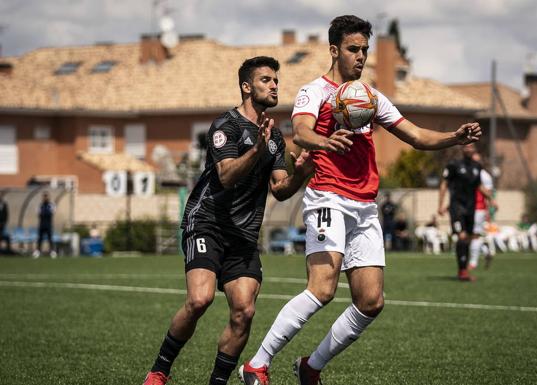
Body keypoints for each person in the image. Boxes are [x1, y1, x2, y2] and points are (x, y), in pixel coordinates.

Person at [240, 15, 481, 385]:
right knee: (321, 288)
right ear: (335, 50)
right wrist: (324, 141)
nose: (361, 57)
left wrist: (455, 137)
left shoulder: (369, 98)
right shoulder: (314, 91)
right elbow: (301, 131)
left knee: (370, 301)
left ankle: (311, 367)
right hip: (327, 198)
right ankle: (257, 364)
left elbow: (415, 135)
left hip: (364, 205)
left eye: (365, 50)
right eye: (354, 49)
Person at [142, 56, 314, 385]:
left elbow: (279, 189)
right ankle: (159, 371)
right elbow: (225, 176)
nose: (275, 85)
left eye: (276, 80)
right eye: (266, 80)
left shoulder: (275, 138)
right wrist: (256, 149)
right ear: (247, 87)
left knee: (244, 311)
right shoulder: (226, 126)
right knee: (199, 299)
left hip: (243, 236)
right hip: (207, 222)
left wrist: (301, 175)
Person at [437, 144, 482, 281]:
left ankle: (463, 269)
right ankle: (463, 271)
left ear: (474, 149)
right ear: (462, 149)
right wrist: (441, 204)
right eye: (466, 147)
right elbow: (444, 184)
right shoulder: (453, 165)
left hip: (470, 207)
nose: (469, 149)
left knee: (467, 239)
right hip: (457, 207)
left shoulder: (477, 166)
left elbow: (479, 186)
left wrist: (491, 199)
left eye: (471, 147)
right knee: (461, 236)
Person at [468, 152, 496, 270]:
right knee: (468, 235)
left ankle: (473, 262)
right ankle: (485, 251)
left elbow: (489, 194)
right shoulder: (467, 172)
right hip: (467, 207)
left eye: (476, 160)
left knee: (474, 234)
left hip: (478, 208)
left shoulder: (485, 176)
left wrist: (489, 211)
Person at [33, 191, 56, 259]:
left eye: (46, 196)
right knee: (40, 239)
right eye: (44, 196)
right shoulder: (40, 205)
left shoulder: (51, 205)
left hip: (48, 225)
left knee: (50, 239)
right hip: (42, 225)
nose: (45, 198)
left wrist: (45, 213)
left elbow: (52, 212)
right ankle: (38, 251)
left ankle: (52, 251)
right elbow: (38, 213)